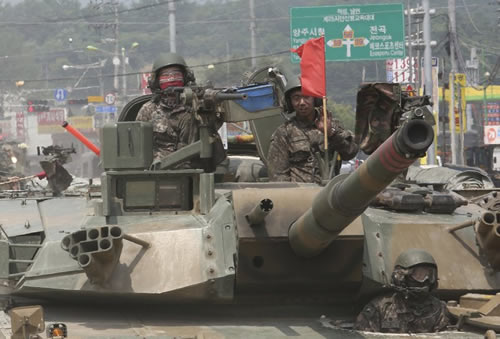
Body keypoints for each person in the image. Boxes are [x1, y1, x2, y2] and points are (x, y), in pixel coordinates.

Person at [136, 53, 224, 170]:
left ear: (185, 77)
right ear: (156, 81)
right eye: (166, 76)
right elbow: (139, 145)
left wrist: (206, 104)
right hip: (160, 169)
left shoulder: (196, 105)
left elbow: (214, 128)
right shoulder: (149, 110)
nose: (171, 79)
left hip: (195, 168)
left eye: (176, 74)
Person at [267, 79, 358, 183]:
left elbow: (350, 153)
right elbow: (278, 175)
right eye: (296, 98)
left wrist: (331, 133)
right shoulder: (284, 132)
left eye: (306, 97)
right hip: (300, 195)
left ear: (315, 99)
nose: (301, 102)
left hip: (328, 193)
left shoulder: (332, 125)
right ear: (289, 102)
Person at [354, 248, 452, 333]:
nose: (425, 280)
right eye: (419, 275)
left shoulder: (438, 309)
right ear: (401, 277)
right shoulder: (380, 307)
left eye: (429, 275)